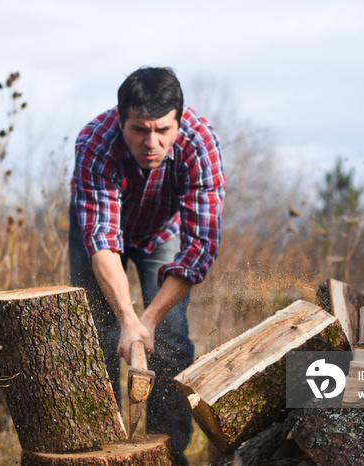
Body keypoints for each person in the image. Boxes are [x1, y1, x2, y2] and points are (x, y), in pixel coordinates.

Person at [69, 66, 225, 465]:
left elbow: (199, 248)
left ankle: (167, 454)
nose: (151, 142)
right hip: (103, 236)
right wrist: (126, 316)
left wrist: (149, 318)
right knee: (97, 333)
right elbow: (102, 238)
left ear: (179, 121)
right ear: (120, 119)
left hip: (162, 232)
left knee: (170, 339)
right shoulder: (94, 142)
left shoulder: (201, 144)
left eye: (162, 130)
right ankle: (98, 450)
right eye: (139, 129)